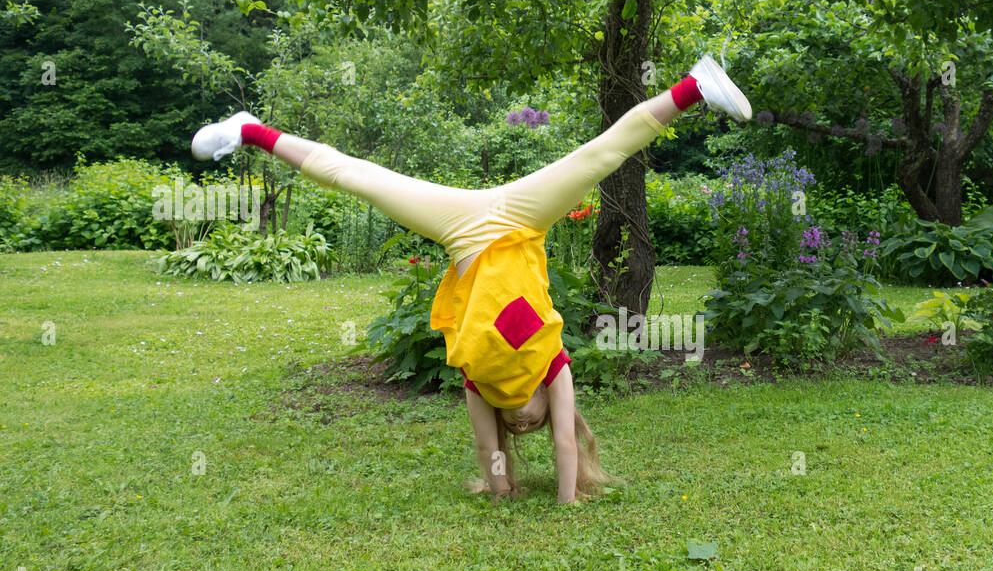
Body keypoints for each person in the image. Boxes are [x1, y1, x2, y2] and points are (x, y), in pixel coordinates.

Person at [191, 56, 751, 503]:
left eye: (518, 425)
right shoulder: (552, 365)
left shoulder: (480, 384)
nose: (524, 420)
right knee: (599, 157)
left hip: (462, 231)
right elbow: (564, 442)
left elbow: (490, 449)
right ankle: (693, 87)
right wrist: (566, 500)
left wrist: (500, 487)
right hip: (519, 216)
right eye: (529, 419)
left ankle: (251, 131)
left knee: (356, 177)